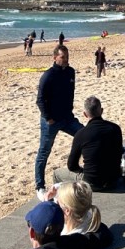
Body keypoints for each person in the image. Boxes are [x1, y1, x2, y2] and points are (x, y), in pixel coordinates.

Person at [34, 45, 85, 201]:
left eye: (67, 57)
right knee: (44, 152)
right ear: (55, 57)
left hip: (67, 118)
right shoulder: (48, 76)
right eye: (63, 57)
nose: (65, 60)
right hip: (50, 121)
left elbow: (70, 93)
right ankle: (40, 186)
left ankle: (85, 168)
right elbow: (40, 100)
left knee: (85, 135)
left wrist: (69, 110)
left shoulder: (70, 72)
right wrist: (48, 117)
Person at [55, 96, 123, 191]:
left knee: (57, 174)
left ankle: (61, 202)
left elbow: (71, 165)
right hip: (113, 180)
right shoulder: (115, 128)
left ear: (85, 114)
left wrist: (83, 170)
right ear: (101, 111)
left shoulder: (81, 134)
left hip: (92, 183)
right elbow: (119, 152)